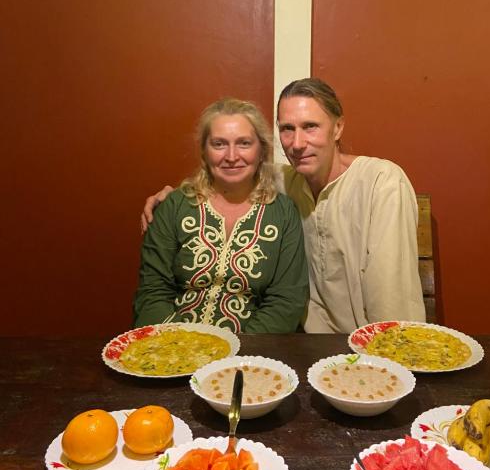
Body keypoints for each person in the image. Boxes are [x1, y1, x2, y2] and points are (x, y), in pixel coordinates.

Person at [141, 80, 425, 333]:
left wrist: (387, 361)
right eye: (287, 129)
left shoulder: (381, 182)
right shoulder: (285, 180)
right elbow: (231, 172)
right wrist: (173, 196)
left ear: (338, 127)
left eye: (310, 127)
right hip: (307, 344)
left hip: (369, 346)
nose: (298, 143)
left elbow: (392, 297)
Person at [134, 98, 309, 333]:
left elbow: (286, 301)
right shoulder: (174, 206)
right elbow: (152, 292)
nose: (232, 156)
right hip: (172, 350)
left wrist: (238, 352)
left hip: (248, 356)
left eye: (244, 143)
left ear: (262, 151)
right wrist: (177, 348)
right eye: (219, 144)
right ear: (204, 152)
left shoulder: (283, 212)